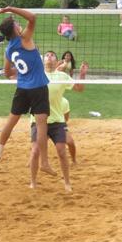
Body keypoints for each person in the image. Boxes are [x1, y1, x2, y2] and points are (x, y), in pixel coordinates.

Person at [0, 7, 50, 189]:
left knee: (11, 120)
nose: (20, 24)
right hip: (38, 87)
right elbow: (33, 17)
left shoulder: (9, 49)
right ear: (16, 29)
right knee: (41, 124)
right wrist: (10, 9)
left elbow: (7, 73)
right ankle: (44, 162)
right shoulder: (25, 38)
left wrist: (21, 73)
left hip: (22, 88)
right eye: (17, 23)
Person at [30, 50, 88, 192]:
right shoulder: (36, 74)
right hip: (38, 120)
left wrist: (82, 74)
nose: (49, 57)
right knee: (35, 152)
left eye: (52, 55)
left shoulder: (62, 76)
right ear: (43, 61)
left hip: (57, 121)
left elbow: (79, 88)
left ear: (57, 61)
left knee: (62, 152)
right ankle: (33, 182)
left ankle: (67, 182)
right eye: (47, 55)